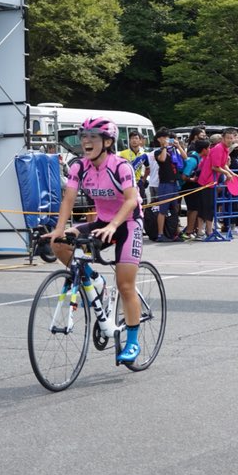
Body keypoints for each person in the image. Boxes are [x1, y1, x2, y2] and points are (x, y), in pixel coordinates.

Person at [44, 117, 145, 364]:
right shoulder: (80, 167)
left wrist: (113, 225)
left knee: (125, 285)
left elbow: (131, 200)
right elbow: (68, 199)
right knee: (59, 243)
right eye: (84, 137)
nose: (86, 142)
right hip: (102, 221)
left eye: (93, 137)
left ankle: (132, 341)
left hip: (127, 223)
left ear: (108, 141)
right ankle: (95, 280)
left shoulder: (121, 166)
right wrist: (59, 229)